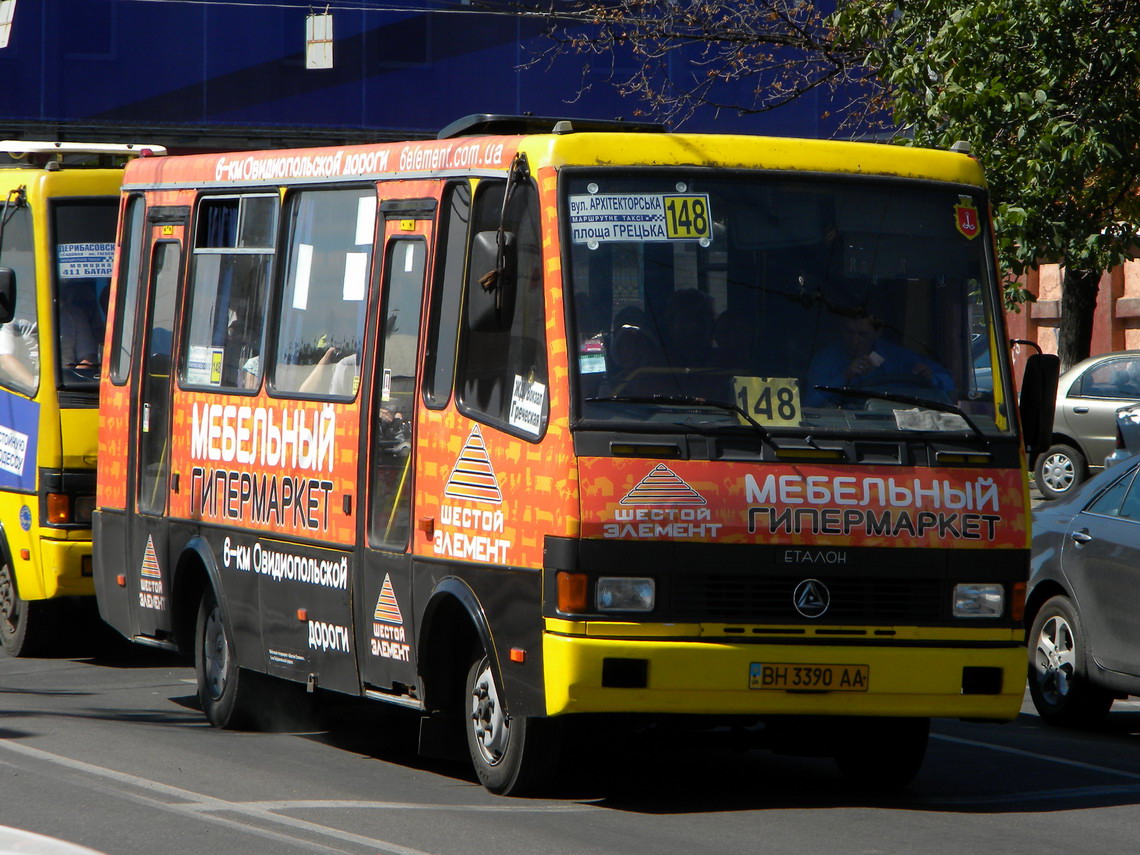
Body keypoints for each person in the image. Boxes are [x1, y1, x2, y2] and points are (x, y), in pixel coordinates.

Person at [806, 310, 954, 406]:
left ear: (877, 333)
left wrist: (931, 378)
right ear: (841, 329)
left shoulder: (899, 357)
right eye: (850, 332)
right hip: (847, 429)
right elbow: (810, 404)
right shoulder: (825, 361)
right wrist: (846, 376)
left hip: (896, 429)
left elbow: (951, 386)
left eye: (863, 334)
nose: (855, 340)